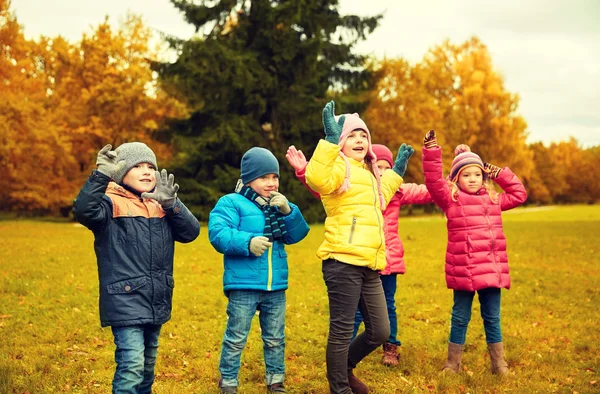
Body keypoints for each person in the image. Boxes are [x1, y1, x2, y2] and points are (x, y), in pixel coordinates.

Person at [286, 144, 432, 367]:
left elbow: (430, 191)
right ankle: (346, 349)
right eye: (378, 166)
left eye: (386, 167)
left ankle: (390, 347)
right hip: (356, 258)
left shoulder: (398, 191)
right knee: (353, 310)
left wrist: (452, 179)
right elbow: (322, 185)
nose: (382, 172)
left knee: (388, 305)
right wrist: (304, 170)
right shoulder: (350, 184)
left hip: (388, 260)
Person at [73, 142, 200, 393]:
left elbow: (191, 232)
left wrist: (172, 204)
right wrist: (100, 176)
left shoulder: (161, 204)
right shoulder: (109, 204)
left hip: (156, 298)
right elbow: (84, 211)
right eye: (137, 166)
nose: (146, 172)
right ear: (120, 173)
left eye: (151, 166)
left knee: (147, 366)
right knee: (131, 365)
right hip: (125, 299)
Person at [305, 100, 414, 394]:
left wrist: (397, 170)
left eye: (363, 135)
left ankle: (346, 369)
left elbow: (380, 197)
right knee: (341, 330)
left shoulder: (369, 173)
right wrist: (328, 143)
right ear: (340, 141)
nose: (359, 140)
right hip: (342, 261)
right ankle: (339, 388)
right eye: (351, 135)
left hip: (369, 262)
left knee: (380, 330)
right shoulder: (338, 169)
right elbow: (315, 178)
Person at [421, 130, 527, 375]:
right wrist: (431, 151)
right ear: (456, 179)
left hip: (491, 270)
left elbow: (519, 194)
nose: (472, 179)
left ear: (484, 176)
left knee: (492, 317)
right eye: (466, 174)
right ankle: (452, 364)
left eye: (477, 174)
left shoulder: (494, 200)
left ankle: (499, 363)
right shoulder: (451, 200)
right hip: (464, 271)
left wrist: (498, 172)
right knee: (460, 317)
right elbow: (434, 182)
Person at [208, 147, 310, 394]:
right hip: (244, 285)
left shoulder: (279, 204)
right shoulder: (231, 203)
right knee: (236, 337)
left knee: (275, 338)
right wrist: (247, 242)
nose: (271, 182)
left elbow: (298, 234)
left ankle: (276, 381)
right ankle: (229, 381)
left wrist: (288, 212)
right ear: (248, 178)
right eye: (264, 177)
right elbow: (218, 233)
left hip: (275, 286)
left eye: (274, 177)